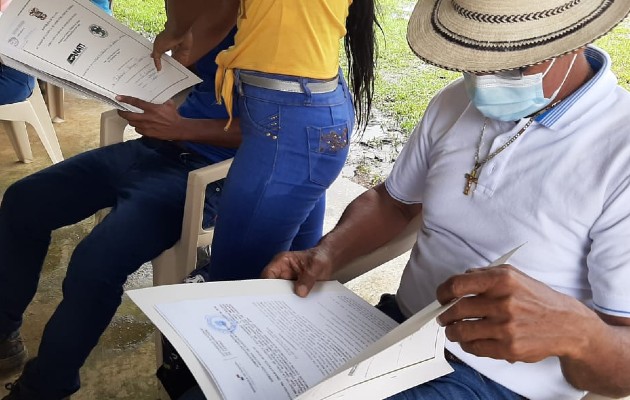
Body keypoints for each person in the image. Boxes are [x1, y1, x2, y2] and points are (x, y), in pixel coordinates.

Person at [261, 1, 630, 399]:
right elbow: (394, 203)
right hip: (396, 330)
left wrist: (578, 335)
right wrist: (327, 253)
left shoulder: (618, 151)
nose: (485, 78)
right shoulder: (455, 102)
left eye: (512, 65)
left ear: (572, 43)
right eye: (473, 59)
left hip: (496, 380)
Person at [0, 27, 241, 399]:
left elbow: (283, 135)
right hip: (153, 150)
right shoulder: (213, 16)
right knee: (23, 201)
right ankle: (3, 333)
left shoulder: (275, 33)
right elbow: (185, 85)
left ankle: (44, 388)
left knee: (95, 263)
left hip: (204, 176)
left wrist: (182, 127)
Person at [151, 0, 379, 282]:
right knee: (295, 272)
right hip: (319, 109)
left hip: (288, 119)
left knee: (235, 284)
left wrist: (176, 29)